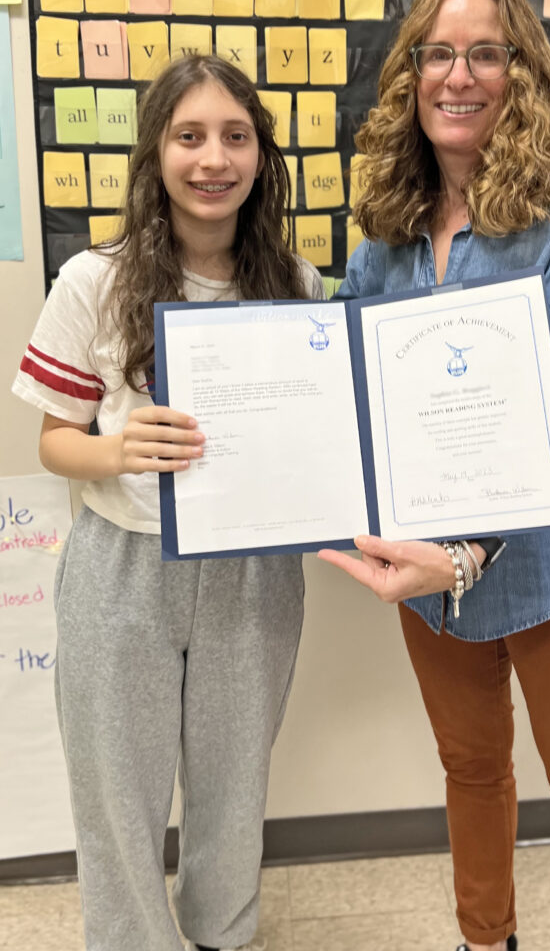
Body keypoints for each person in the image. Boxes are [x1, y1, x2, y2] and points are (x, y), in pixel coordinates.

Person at [318, 0, 550, 951]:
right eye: (435, 54)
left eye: (482, 54)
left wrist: (464, 552)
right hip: (426, 575)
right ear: (410, 74)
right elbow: (344, 379)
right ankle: (484, 941)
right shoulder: (386, 231)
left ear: (522, 72)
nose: (455, 76)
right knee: (470, 773)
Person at [13, 55, 324, 951]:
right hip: (121, 571)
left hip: (254, 575)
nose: (212, 159)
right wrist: (115, 449)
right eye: (189, 137)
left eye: (235, 137)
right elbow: (52, 441)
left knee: (233, 790)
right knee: (117, 792)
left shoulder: (296, 288)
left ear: (261, 156)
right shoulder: (93, 282)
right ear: (156, 152)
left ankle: (223, 938)